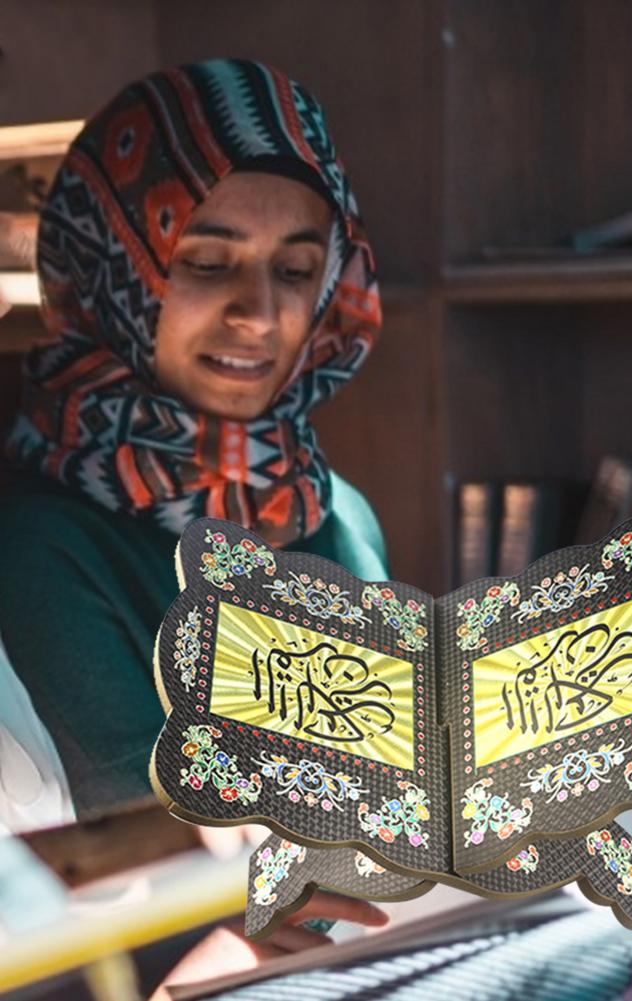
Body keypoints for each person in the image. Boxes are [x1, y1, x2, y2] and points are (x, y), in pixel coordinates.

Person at [0, 58, 390, 820]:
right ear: (110, 259)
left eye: (297, 267)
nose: (261, 313)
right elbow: (163, 851)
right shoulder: (41, 545)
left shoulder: (338, 511)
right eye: (207, 262)